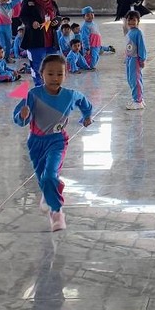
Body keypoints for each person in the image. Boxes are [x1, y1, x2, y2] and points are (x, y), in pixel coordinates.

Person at [13, 53, 93, 231]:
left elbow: (84, 102)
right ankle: (52, 189)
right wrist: (22, 116)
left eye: (59, 74)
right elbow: (19, 119)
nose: (55, 78)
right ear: (41, 74)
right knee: (44, 178)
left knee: (49, 175)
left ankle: (57, 213)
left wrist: (87, 116)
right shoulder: (32, 95)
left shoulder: (70, 95)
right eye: (50, 74)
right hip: (35, 142)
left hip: (57, 141)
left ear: (66, 75)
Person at [20, 0, 61, 86]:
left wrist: (56, 22)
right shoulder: (28, 3)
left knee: (52, 65)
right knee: (37, 66)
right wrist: (31, 23)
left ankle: (51, 86)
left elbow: (58, 16)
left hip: (51, 41)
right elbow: (23, 16)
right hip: (35, 41)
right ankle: (39, 87)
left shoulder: (52, 3)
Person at [125, 11, 147, 110]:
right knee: (130, 79)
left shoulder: (138, 33)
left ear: (138, 21)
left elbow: (142, 47)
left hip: (135, 59)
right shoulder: (130, 31)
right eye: (129, 20)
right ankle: (138, 98)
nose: (131, 22)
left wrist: (142, 59)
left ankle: (138, 101)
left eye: (134, 20)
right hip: (129, 58)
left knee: (135, 80)